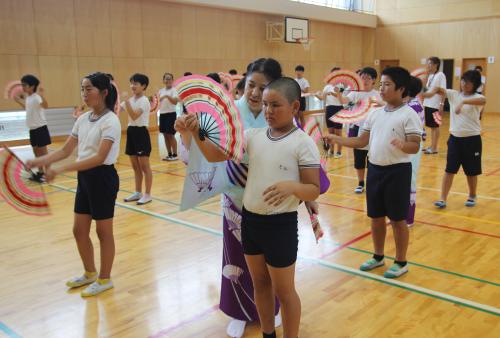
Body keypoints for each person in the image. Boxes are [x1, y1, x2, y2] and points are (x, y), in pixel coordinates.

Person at [177, 76, 320, 338]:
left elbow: (314, 188)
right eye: (265, 104)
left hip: (280, 225)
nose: (268, 110)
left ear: (295, 106)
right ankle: (268, 334)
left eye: (275, 105)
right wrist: (195, 131)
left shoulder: (303, 143)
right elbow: (213, 155)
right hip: (251, 222)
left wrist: (291, 187)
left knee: (285, 292)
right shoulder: (252, 136)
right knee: (260, 284)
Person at [26, 72, 121, 296]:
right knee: (79, 230)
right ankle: (89, 273)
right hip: (85, 178)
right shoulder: (82, 119)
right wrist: (39, 160)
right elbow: (66, 150)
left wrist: (60, 169)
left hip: (103, 178)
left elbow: (99, 158)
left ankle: (105, 278)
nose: (84, 94)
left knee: (103, 232)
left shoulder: (112, 121)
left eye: (89, 89)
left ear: (104, 92)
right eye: (82, 89)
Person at [326, 67, 422, 278]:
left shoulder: (409, 115)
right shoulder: (375, 113)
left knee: (398, 219)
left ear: (401, 89)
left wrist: (403, 145)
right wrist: (338, 139)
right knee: (376, 217)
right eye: (382, 85)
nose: (382, 89)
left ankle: (401, 261)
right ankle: (378, 257)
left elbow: (415, 145)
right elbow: (361, 141)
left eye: (387, 85)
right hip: (375, 170)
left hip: (398, 172)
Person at [433, 70, 486, 209]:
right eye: (463, 80)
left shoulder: (477, 97)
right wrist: (433, 85)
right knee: (449, 170)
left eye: (468, 82)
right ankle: (443, 199)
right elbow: (439, 90)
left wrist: (463, 102)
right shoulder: (453, 94)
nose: (464, 84)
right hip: (455, 139)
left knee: (471, 171)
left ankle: (472, 195)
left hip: (472, 140)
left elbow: (483, 100)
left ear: (474, 84)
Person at [334, 67, 382, 193]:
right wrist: (339, 93)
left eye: (368, 78)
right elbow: (344, 101)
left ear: (374, 80)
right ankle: (361, 182)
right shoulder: (355, 93)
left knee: (373, 158)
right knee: (359, 158)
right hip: (358, 129)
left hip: (374, 131)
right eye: (362, 77)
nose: (364, 80)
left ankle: (373, 182)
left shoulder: (378, 95)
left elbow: (386, 107)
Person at [121, 73, 153, 205]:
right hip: (131, 132)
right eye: (131, 83)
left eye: (135, 83)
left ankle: (148, 194)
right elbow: (116, 110)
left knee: (145, 166)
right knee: (135, 166)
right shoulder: (130, 100)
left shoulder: (144, 101)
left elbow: (134, 116)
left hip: (141, 133)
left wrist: (126, 102)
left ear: (143, 86)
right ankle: (138, 192)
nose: (132, 86)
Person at [13, 74, 51, 182]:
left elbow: (45, 106)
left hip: (40, 128)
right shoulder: (29, 98)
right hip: (33, 130)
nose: (23, 87)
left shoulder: (36, 97)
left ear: (32, 86)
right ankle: (40, 172)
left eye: (25, 85)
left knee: (43, 154)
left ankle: (48, 174)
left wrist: (42, 95)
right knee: (36, 152)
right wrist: (18, 100)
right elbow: (28, 108)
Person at [405, 76, 425, 226]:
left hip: (412, 147)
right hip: (408, 147)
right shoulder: (411, 104)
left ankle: (409, 217)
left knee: (409, 180)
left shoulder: (413, 106)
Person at [421, 56, 446, 154]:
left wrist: (441, 104)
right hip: (428, 103)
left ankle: (435, 148)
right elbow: (424, 89)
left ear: (436, 65)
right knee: (431, 127)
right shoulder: (431, 76)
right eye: (427, 63)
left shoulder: (441, 75)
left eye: (430, 63)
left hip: (435, 105)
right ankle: (432, 145)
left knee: (435, 127)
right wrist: (427, 74)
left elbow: (444, 91)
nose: (428, 65)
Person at [316, 67, 343, 158]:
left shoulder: (341, 86)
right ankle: (331, 151)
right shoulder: (327, 87)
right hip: (329, 109)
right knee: (331, 133)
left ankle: (339, 152)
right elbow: (322, 98)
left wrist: (333, 93)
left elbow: (340, 97)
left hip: (338, 109)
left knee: (338, 133)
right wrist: (317, 94)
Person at [158, 72, 180, 161]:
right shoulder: (160, 91)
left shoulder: (174, 90)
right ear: (163, 80)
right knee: (165, 135)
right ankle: (169, 154)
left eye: (169, 78)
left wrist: (167, 96)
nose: (168, 80)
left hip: (171, 114)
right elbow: (157, 102)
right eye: (166, 78)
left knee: (171, 135)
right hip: (162, 114)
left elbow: (175, 102)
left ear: (172, 80)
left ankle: (175, 154)